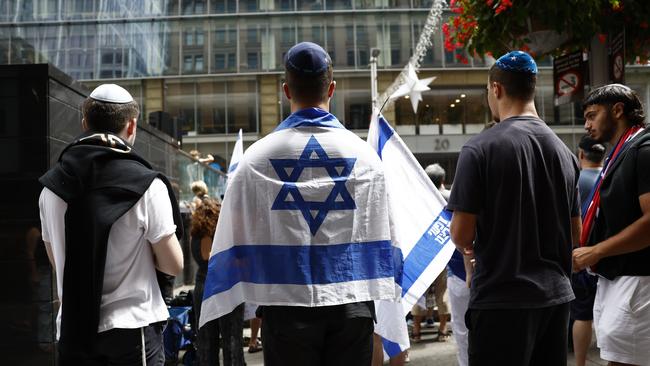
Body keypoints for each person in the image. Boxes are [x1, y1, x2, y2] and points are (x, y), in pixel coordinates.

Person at [199, 42, 396, 366]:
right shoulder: (365, 159)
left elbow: (232, 241)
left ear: (286, 90)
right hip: (352, 305)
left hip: (284, 305)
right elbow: (385, 237)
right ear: (331, 88)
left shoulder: (255, 160)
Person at [447, 51, 581, 366]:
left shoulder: (480, 148)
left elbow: (461, 233)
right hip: (555, 299)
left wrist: (471, 249)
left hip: (501, 301)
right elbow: (576, 233)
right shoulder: (564, 152)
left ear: (496, 89)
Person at [38, 84, 184, 365]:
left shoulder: (50, 188)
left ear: (84, 123)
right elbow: (173, 264)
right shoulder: (148, 185)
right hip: (132, 328)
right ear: (132, 126)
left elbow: (58, 260)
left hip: (73, 329)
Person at [573, 84, 650, 366]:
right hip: (616, 278)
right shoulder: (622, 151)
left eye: (593, 115)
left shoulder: (643, 150)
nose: (586, 125)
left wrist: (597, 251)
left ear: (617, 110)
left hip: (638, 280)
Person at [190, 198, 246, 366]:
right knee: (232, 337)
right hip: (224, 286)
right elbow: (208, 257)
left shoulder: (196, 234)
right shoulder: (210, 234)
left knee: (207, 338)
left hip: (203, 285)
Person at [571, 135, 605, 366]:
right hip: (607, 255)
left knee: (583, 315)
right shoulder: (610, 177)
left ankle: (580, 362)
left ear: (581, 155)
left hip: (580, 256)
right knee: (607, 309)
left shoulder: (574, 181)